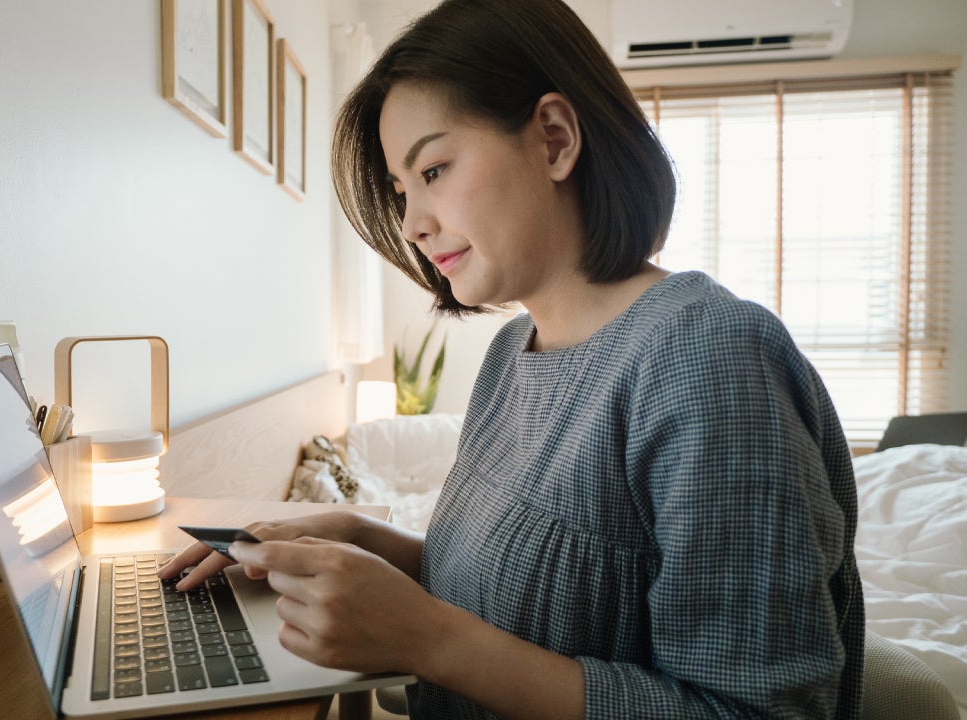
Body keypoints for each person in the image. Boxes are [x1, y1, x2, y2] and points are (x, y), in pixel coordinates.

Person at [161, 0, 865, 717]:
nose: (411, 225)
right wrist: (360, 538)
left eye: (433, 169)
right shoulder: (510, 354)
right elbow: (519, 589)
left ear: (555, 140)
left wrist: (430, 640)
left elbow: (757, 710)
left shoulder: (707, 361)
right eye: (401, 192)